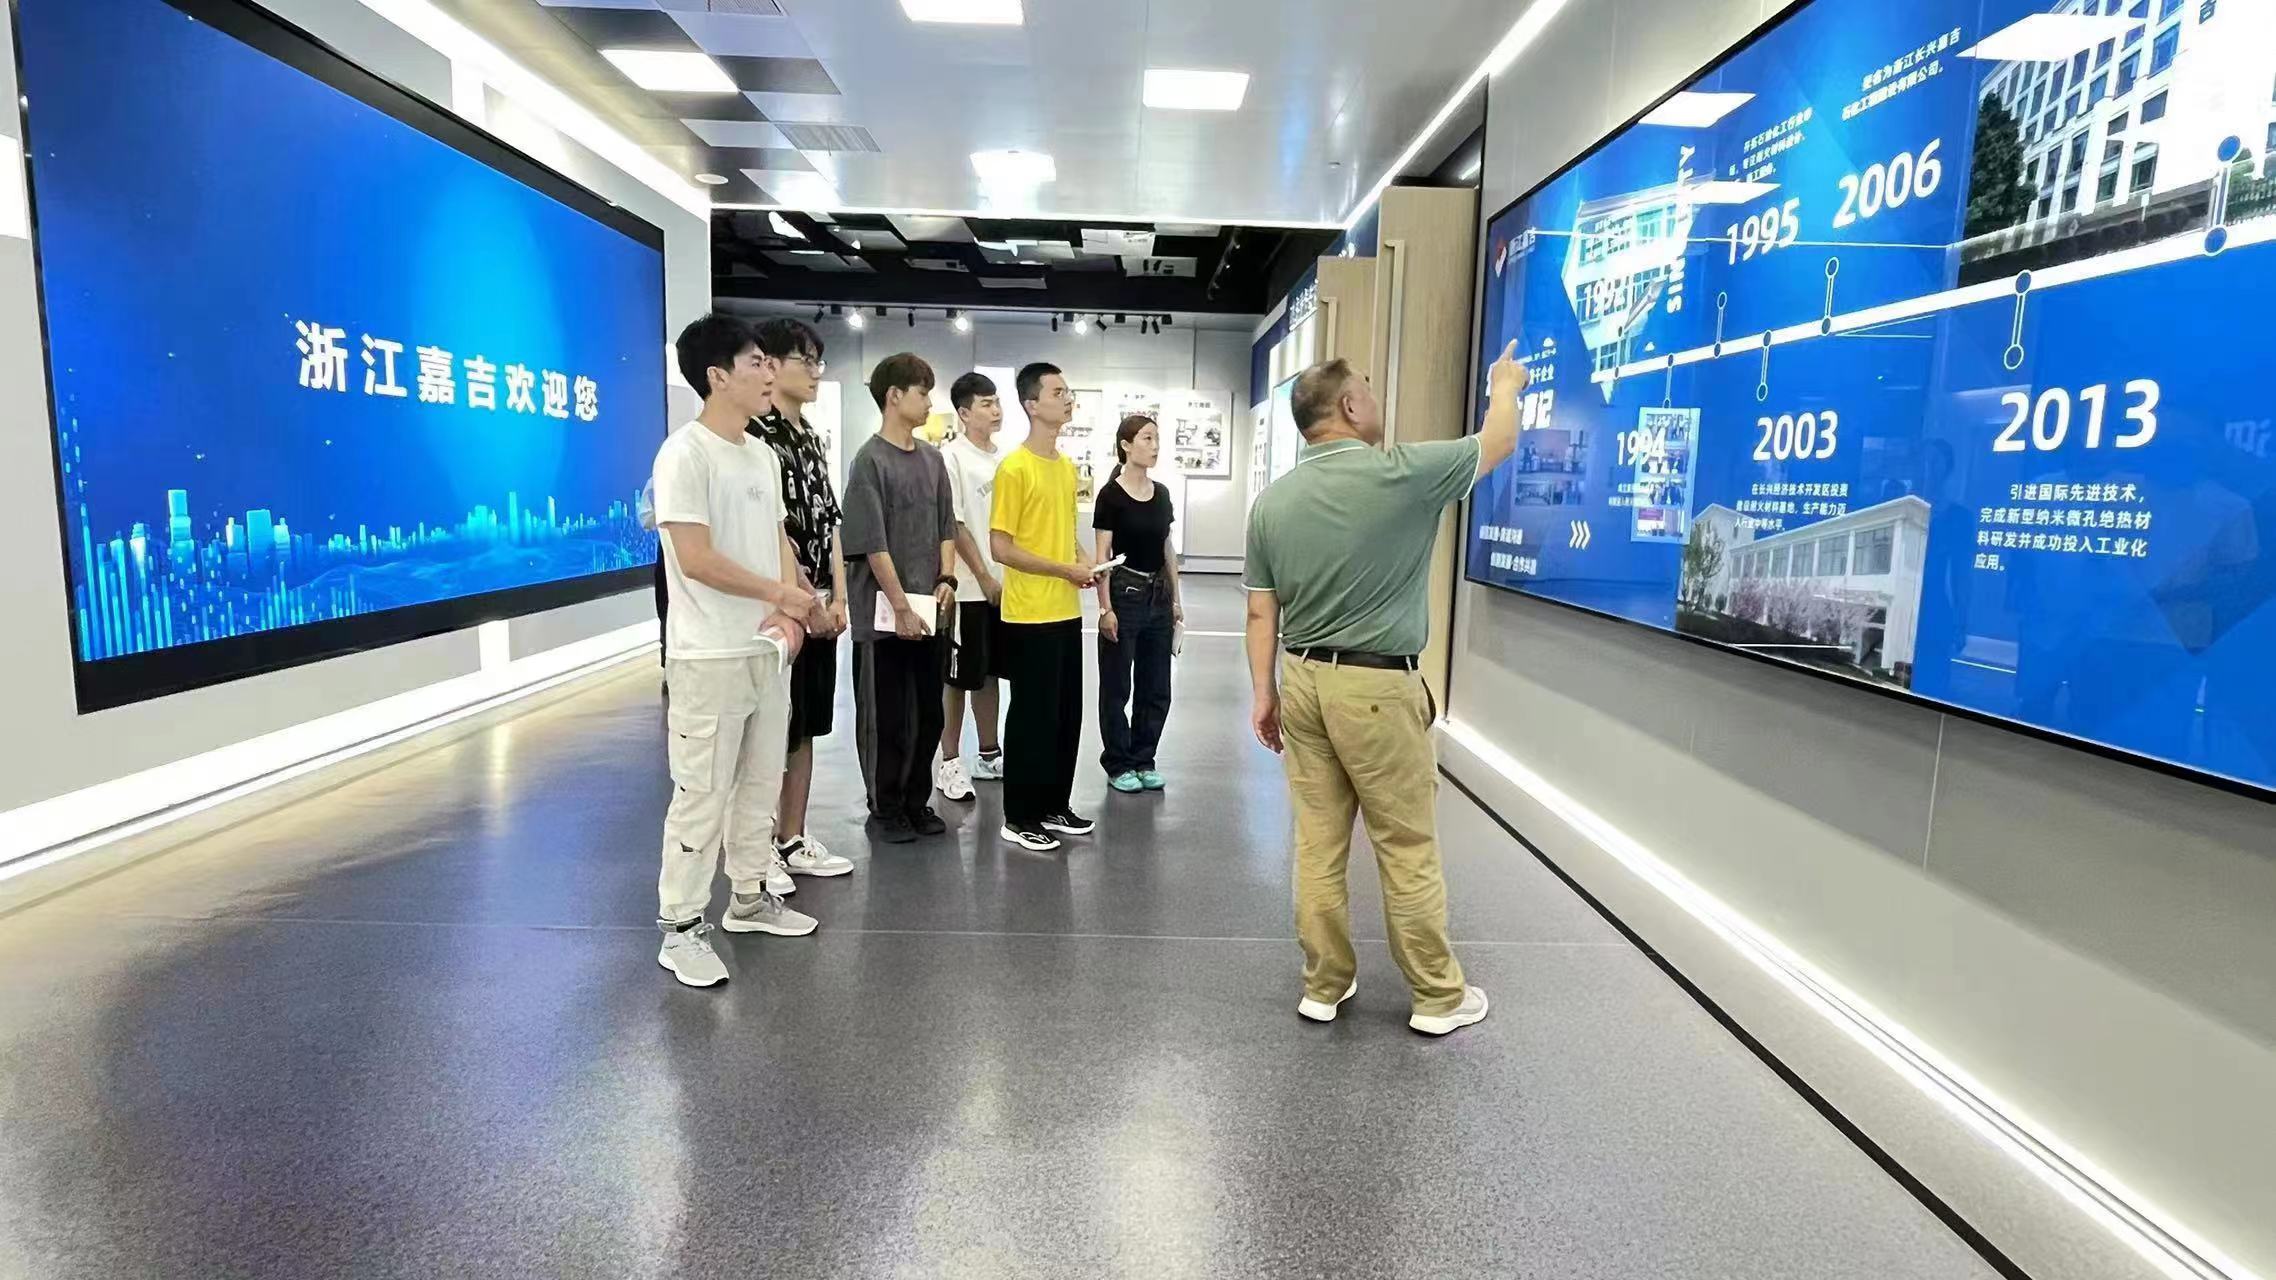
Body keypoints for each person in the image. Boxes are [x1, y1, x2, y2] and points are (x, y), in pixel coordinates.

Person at [1244, 343, 1529, 1035]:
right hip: (1376, 687)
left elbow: (1260, 612)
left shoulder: (1272, 503)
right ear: (1349, 406)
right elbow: (1499, 439)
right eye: (1367, 390)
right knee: (1405, 846)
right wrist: (1504, 384)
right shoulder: (1404, 473)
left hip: (1302, 681)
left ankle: (1324, 985)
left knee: (1317, 844)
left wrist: (1264, 694)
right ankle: (1437, 996)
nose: (1375, 399)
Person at [651, 314, 825, 988]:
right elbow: (694, 558)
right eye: (756, 362)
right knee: (702, 794)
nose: (769, 373)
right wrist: (779, 594)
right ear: (717, 376)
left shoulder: (761, 454)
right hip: (708, 656)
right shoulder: (684, 454)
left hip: (765, 651)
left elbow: (777, 536)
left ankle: (748, 898)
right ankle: (681, 928)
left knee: (759, 782)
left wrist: (791, 603)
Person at [747, 318, 856, 883]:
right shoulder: (755, 435)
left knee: (806, 724)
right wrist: (804, 599)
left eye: (818, 361)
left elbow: (829, 522)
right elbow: (775, 531)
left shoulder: (810, 436)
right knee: (770, 728)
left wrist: (838, 597)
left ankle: (792, 837)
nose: (814, 372)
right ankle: (757, 847)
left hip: (817, 604)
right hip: (776, 607)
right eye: (804, 360)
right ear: (769, 364)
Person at [842, 353, 958, 844]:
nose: (929, 402)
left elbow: (946, 526)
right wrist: (902, 606)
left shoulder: (933, 460)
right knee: (886, 717)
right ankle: (885, 806)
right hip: (883, 617)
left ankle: (916, 801)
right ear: (894, 396)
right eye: (922, 392)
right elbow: (872, 544)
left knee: (928, 712)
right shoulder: (869, 461)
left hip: (931, 612)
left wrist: (947, 579)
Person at [988, 363, 1099, 852]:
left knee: (1064, 714)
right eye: (1058, 392)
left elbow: (1066, 534)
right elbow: (1000, 547)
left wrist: (1086, 563)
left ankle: (1054, 804)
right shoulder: (1014, 468)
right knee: (1031, 717)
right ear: (1032, 405)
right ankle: (1019, 816)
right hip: (1029, 613)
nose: (1067, 398)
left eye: (1068, 391)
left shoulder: (1066, 466)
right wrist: (1062, 570)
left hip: (1065, 610)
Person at [1093, 414, 1181, 793]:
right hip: (1124, 594)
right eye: (1147, 438)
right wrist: (1105, 608)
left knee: (1156, 684)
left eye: (1157, 438)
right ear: (1126, 446)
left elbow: (1167, 547)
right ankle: (1118, 762)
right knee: (1117, 686)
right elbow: (1102, 555)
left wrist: (1176, 599)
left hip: (1158, 596)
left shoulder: (1161, 494)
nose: (1154, 446)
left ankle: (1145, 758)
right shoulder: (1110, 495)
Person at [935, 372, 1009, 802]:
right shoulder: (951, 458)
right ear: (964, 413)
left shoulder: (1006, 459)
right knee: (957, 678)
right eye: (986, 404)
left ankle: (988, 753)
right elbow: (955, 523)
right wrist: (982, 575)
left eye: (997, 402)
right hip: (968, 590)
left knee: (990, 673)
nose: (995, 410)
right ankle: (949, 761)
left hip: (1005, 589)